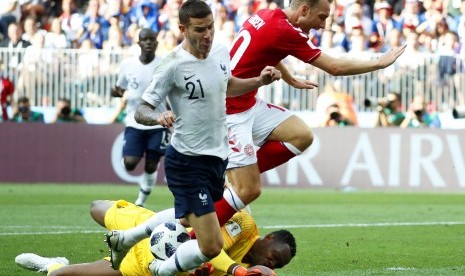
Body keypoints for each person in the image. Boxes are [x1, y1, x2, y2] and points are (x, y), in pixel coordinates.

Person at [105, 1, 282, 275]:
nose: (208, 35)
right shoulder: (172, 65)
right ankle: (159, 270)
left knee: (187, 219)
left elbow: (227, 85)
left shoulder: (221, 51)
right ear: (183, 29)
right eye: (200, 29)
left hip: (217, 159)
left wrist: (259, 81)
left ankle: (126, 238)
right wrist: (157, 117)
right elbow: (142, 108)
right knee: (211, 245)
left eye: (211, 27)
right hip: (187, 162)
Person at [206, 0, 407, 235]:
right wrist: (379, 63)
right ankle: (192, 237)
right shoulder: (286, 30)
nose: (322, 25)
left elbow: (271, 49)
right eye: (321, 17)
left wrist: (290, 78)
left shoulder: (268, 15)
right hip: (229, 111)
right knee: (249, 190)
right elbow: (335, 67)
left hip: (246, 102)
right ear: (303, 10)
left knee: (301, 135)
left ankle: (233, 174)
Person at [15, 199, 295, 276]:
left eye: (277, 266)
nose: (272, 263)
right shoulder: (243, 225)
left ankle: (53, 263)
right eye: (276, 257)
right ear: (269, 238)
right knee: (96, 207)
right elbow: (208, 246)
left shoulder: (249, 272)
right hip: (160, 230)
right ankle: (125, 237)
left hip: (150, 266)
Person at [110, 28, 170, 207]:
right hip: (134, 120)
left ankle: (141, 202)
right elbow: (119, 89)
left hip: (157, 121)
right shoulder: (128, 65)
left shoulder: (164, 65)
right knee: (130, 163)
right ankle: (133, 155)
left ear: (157, 43)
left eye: (152, 39)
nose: (149, 42)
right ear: (139, 43)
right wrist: (115, 92)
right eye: (145, 39)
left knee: (151, 164)